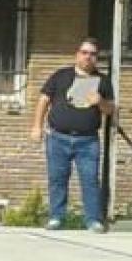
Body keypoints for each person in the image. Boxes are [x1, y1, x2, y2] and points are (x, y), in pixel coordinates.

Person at [32, 37, 115, 233]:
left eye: (93, 54)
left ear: (96, 58)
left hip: (87, 141)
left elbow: (110, 110)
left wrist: (100, 101)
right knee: (57, 179)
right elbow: (44, 100)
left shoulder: (102, 81)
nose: (88, 57)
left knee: (90, 180)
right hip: (58, 138)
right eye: (84, 53)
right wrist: (36, 127)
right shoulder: (61, 76)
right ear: (77, 55)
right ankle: (56, 218)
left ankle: (93, 220)